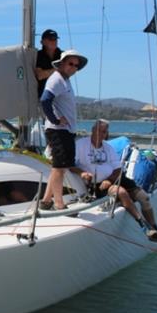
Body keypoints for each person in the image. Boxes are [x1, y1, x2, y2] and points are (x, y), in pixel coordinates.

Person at [72, 119, 157, 244]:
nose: (101, 134)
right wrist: (81, 173)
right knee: (122, 192)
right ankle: (144, 227)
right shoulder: (81, 145)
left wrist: (109, 180)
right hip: (97, 184)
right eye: (99, 131)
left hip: (114, 179)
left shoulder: (108, 148)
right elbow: (70, 164)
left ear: (106, 134)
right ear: (92, 131)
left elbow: (118, 170)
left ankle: (156, 230)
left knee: (144, 197)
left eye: (104, 132)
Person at [39, 49, 87, 210]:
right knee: (60, 168)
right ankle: (59, 204)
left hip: (65, 131)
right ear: (62, 64)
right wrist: (55, 119)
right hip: (58, 130)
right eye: (70, 64)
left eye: (76, 66)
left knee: (59, 167)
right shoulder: (57, 79)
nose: (73, 67)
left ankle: (46, 201)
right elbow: (45, 100)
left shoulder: (65, 80)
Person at [35, 29, 63, 97]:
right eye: (51, 39)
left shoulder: (63, 55)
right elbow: (40, 75)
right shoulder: (38, 55)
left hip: (60, 96)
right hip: (43, 96)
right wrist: (58, 70)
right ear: (42, 42)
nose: (54, 41)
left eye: (55, 39)